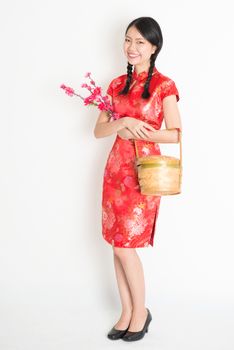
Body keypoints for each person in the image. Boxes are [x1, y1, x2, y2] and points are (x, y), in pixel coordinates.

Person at [94, 16, 182, 341]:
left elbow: (175, 134)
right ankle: (126, 311)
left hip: (143, 172)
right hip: (115, 171)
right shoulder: (115, 85)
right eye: (128, 40)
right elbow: (98, 130)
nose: (132, 47)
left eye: (140, 42)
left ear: (154, 47)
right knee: (117, 246)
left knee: (126, 246)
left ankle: (141, 311)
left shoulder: (164, 86)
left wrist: (143, 131)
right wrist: (122, 123)